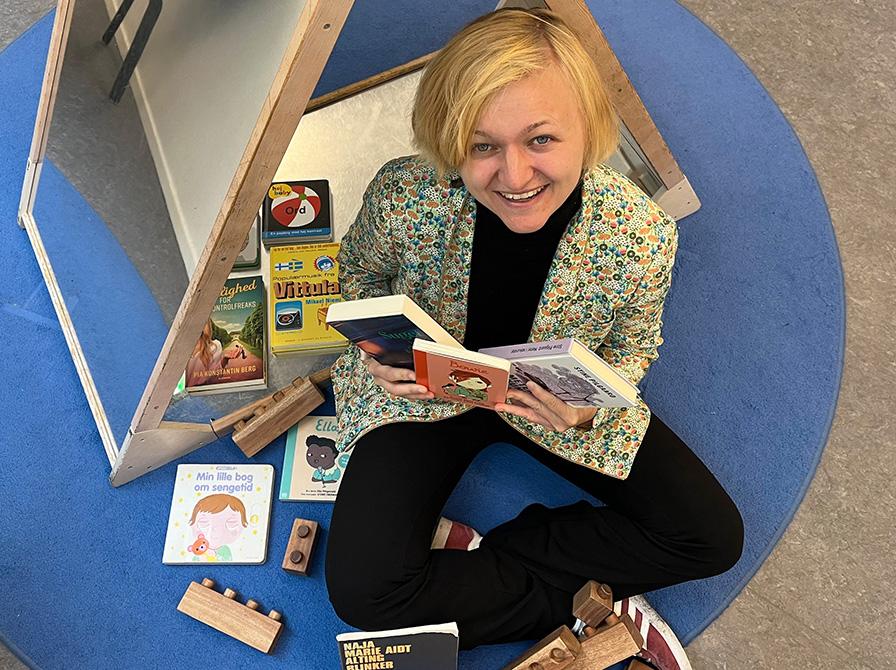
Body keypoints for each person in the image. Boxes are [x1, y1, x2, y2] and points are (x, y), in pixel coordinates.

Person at [325, 8, 743, 666]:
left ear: (589, 132)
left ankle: (509, 563)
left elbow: (634, 347)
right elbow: (359, 273)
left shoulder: (640, 234)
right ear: (450, 142)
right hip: (427, 392)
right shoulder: (404, 194)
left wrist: (588, 408)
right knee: (361, 593)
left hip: (551, 401)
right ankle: (585, 589)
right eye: (482, 146)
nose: (515, 177)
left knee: (712, 538)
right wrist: (376, 349)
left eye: (541, 139)